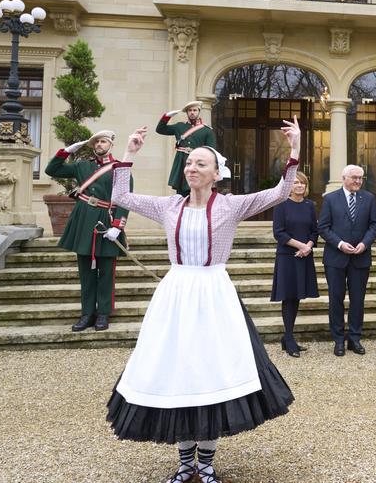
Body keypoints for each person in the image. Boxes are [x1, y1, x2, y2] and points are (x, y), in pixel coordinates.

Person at [105, 118, 301, 483]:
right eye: (189, 162)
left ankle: (206, 463)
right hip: (177, 294)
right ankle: (184, 463)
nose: (192, 167)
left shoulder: (231, 206)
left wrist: (294, 151)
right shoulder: (168, 207)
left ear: (216, 174)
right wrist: (127, 155)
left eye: (201, 164)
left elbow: (278, 193)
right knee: (178, 372)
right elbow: (121, 197)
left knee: (213, 370)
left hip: (214, 295)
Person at [44, 130, 131, 333]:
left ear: (110, 144)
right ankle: (87, 313)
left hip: (106, 220)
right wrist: (65, 152)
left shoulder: (119, 168)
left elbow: (125, 198)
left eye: (103, 141)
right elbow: (52, 170)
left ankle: (103, 314)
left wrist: (118, 226)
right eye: (96, 142)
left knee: (106, 272)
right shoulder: (82, 165)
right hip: (83, 220)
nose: (99, 145)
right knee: (85, 271)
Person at [318, 164, 376, 356]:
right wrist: (340, 244)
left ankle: (354, 338)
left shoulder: (369, 198)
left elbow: (374, 224)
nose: (358, 181)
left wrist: (365, 243)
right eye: (354, 177)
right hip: (336, 258)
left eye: (360, 178)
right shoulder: (330, 199)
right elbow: (324, 227)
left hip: (360, 258)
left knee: (357, 300)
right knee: (336, 299)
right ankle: (338, 340)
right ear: (344, 178)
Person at [271, 171, 319, 358]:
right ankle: (289, 338)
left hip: (304, 256)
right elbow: (279, 233)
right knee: (288, 296)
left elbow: (315, 231)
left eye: (303, 183)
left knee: (297, 296)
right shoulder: (281, 205)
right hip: (287, 256)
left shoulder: (309, 206)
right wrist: (300, 246)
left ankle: (288, 336)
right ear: (289, 186)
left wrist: (308, 246)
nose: (299, 186)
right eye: (296, 183)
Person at [157, 100, 217, 197]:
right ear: (187, 112)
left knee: (197, 190)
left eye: (195, 110)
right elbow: (160, 129)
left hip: (198, 162)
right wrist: (167, 116)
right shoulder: (179, 126)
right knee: (181, 193)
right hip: (182, 162)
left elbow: (211, 151)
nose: (192, 112)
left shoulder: (207, 130)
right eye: (190, 110)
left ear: (199, 112)